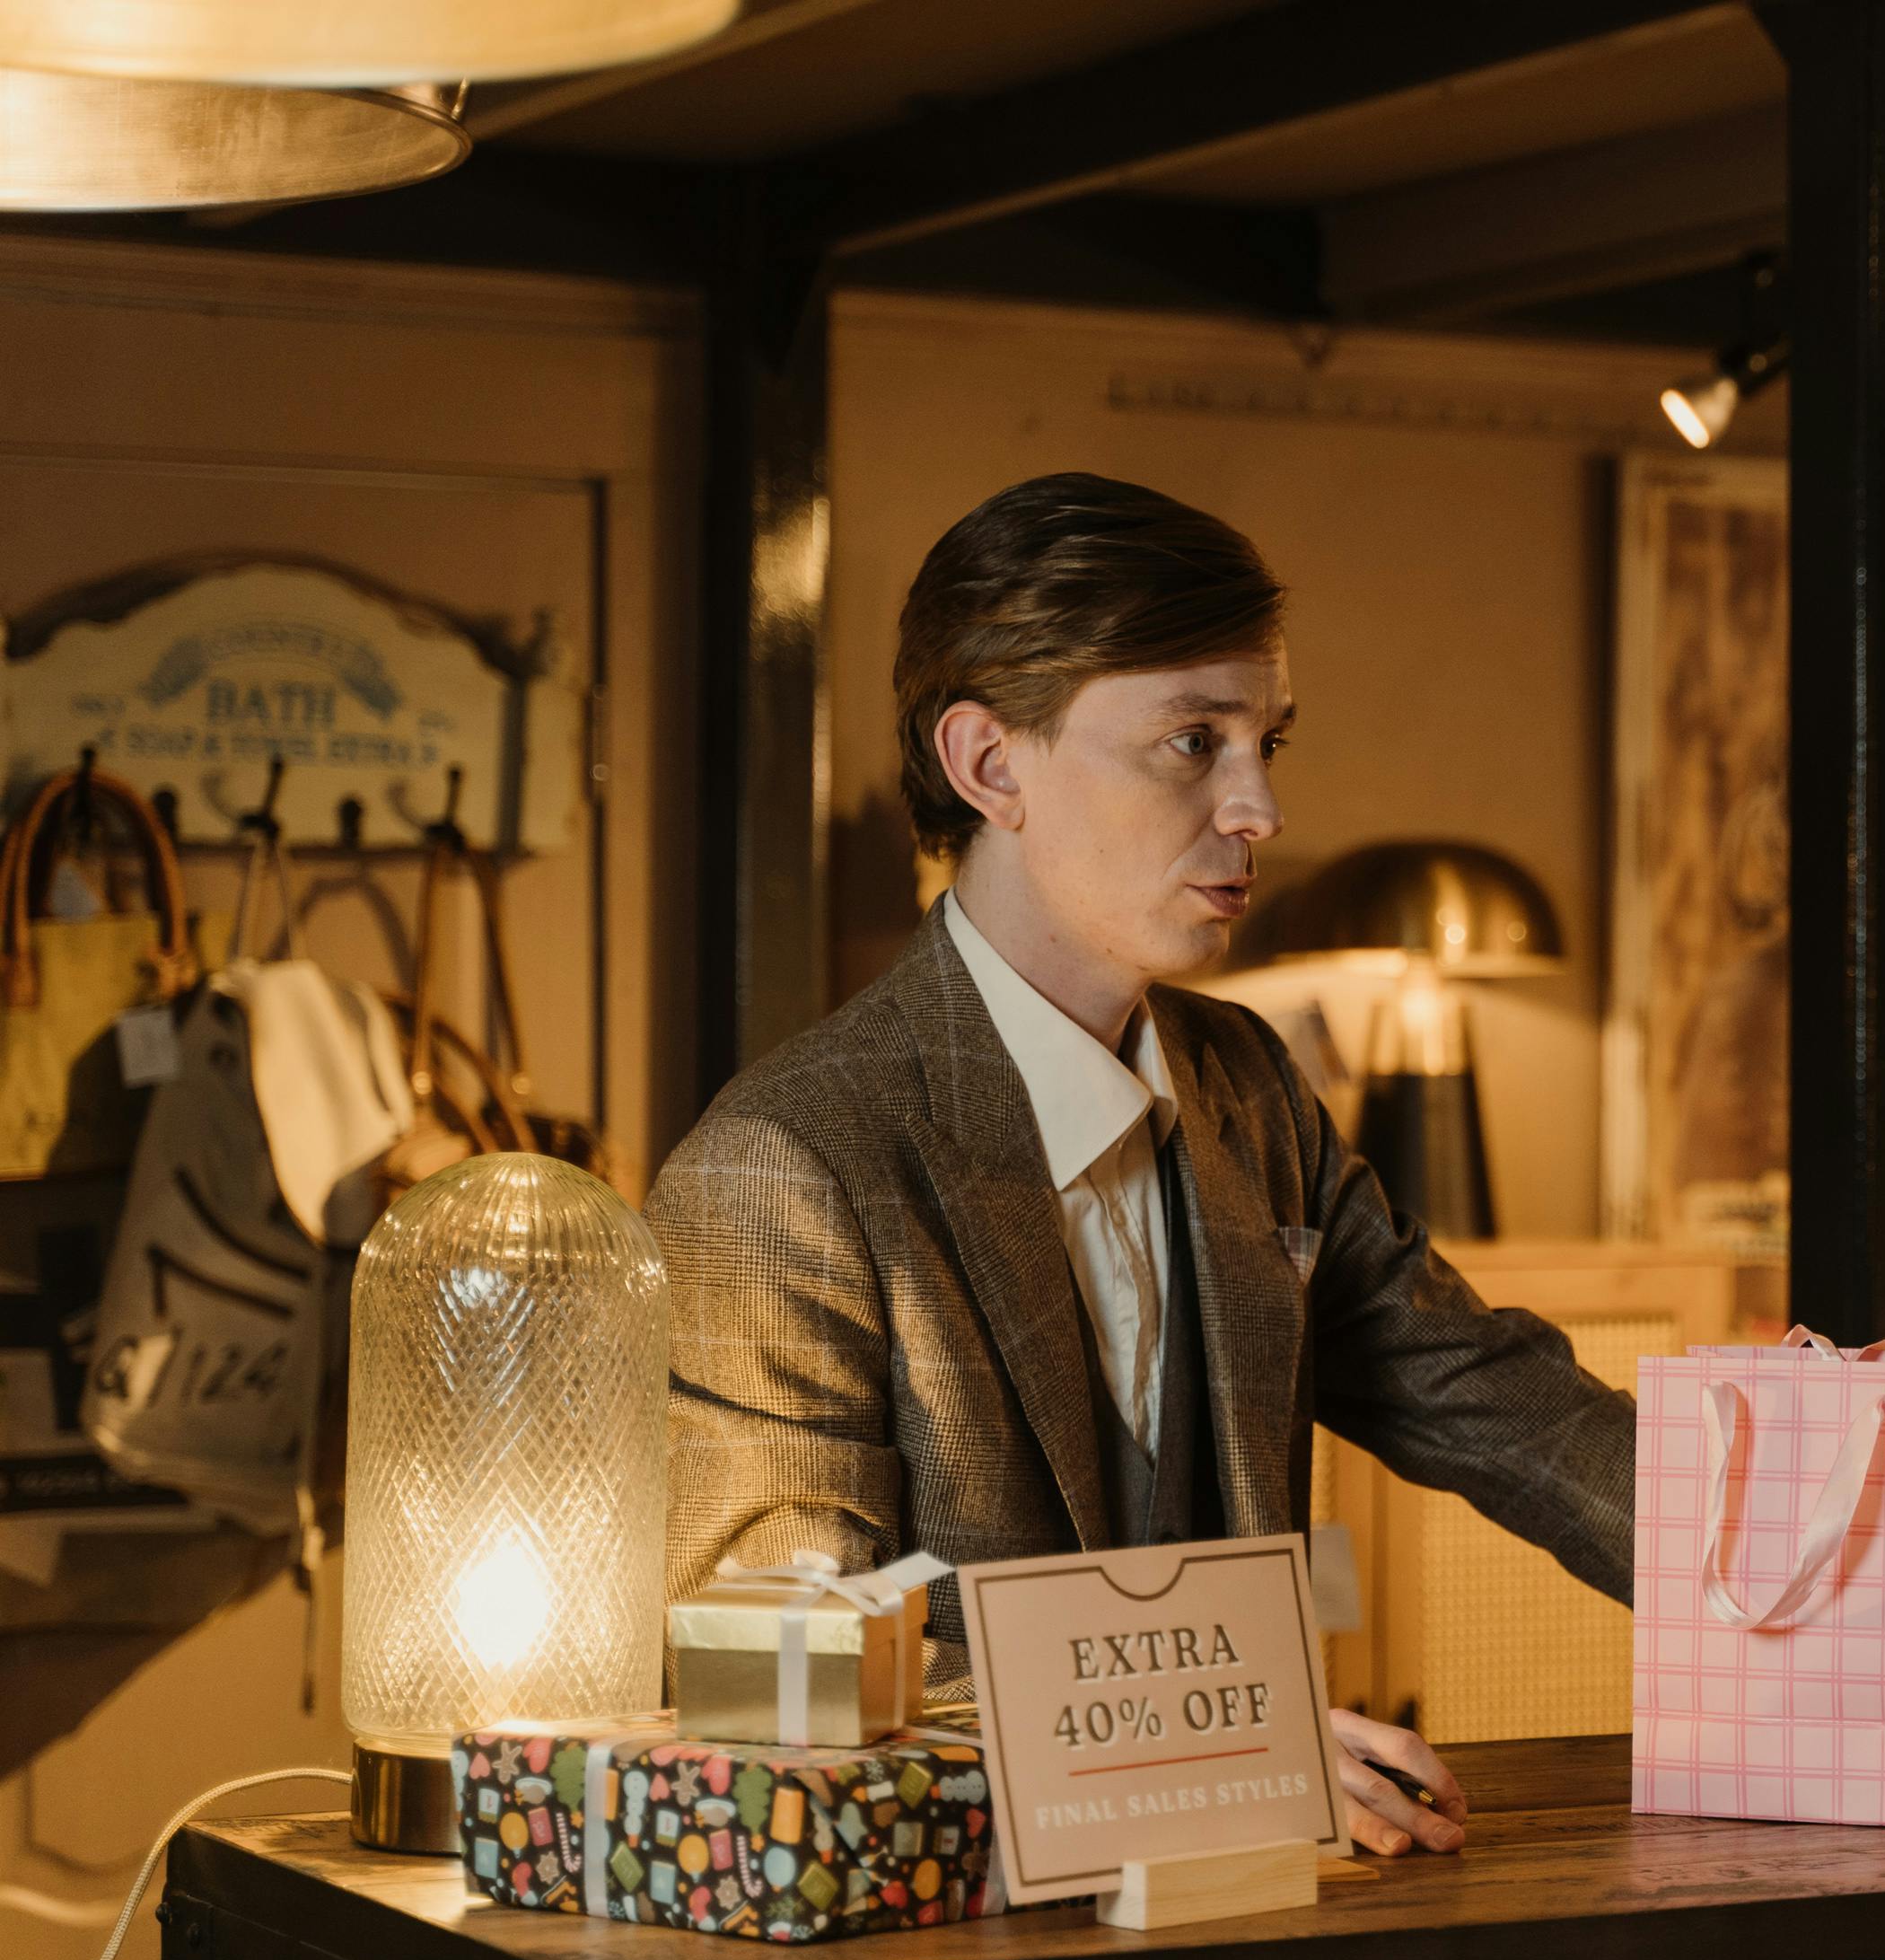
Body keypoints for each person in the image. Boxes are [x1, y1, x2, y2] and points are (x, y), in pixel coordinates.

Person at [650, 473, 1635, 1860]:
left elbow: (1507, 1406)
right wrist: (1209, 1745)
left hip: (1248, 1950)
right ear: (990, 765)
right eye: (1192, 742)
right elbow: (771, 1683)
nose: (1261, 807)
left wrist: (1845, 1553)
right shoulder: (783, 1165)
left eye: (1268, 740)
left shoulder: (1251, 1087)